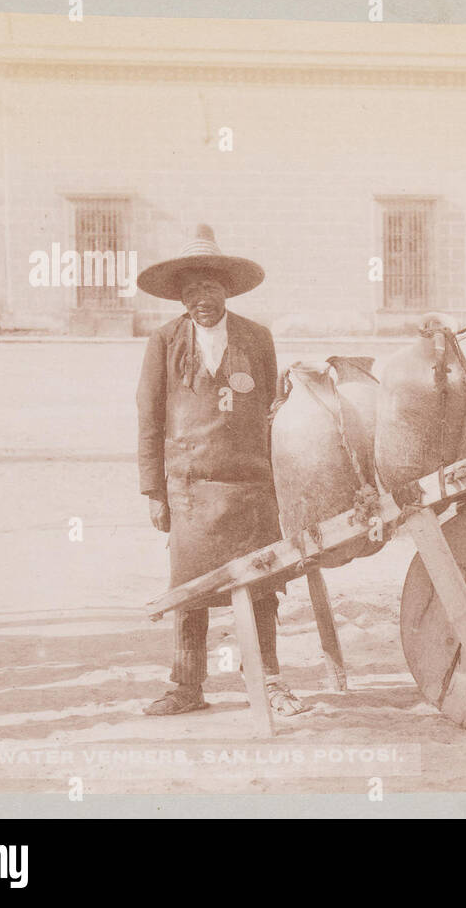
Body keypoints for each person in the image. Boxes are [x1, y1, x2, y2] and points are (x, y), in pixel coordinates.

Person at [135, 224, 303, 717]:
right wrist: (154, 491)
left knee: (263, 588)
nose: (201, 299)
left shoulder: (257, 338)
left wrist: (284, 483)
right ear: (180, 298)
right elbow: (149, 418)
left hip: (253, 488)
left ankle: (269, 682)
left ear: (226, 289)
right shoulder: (164, 342)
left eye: (210, 288)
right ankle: (187, 687)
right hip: (189, 490)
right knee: (190, 593)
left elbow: (276, 412)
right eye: (191, 291)